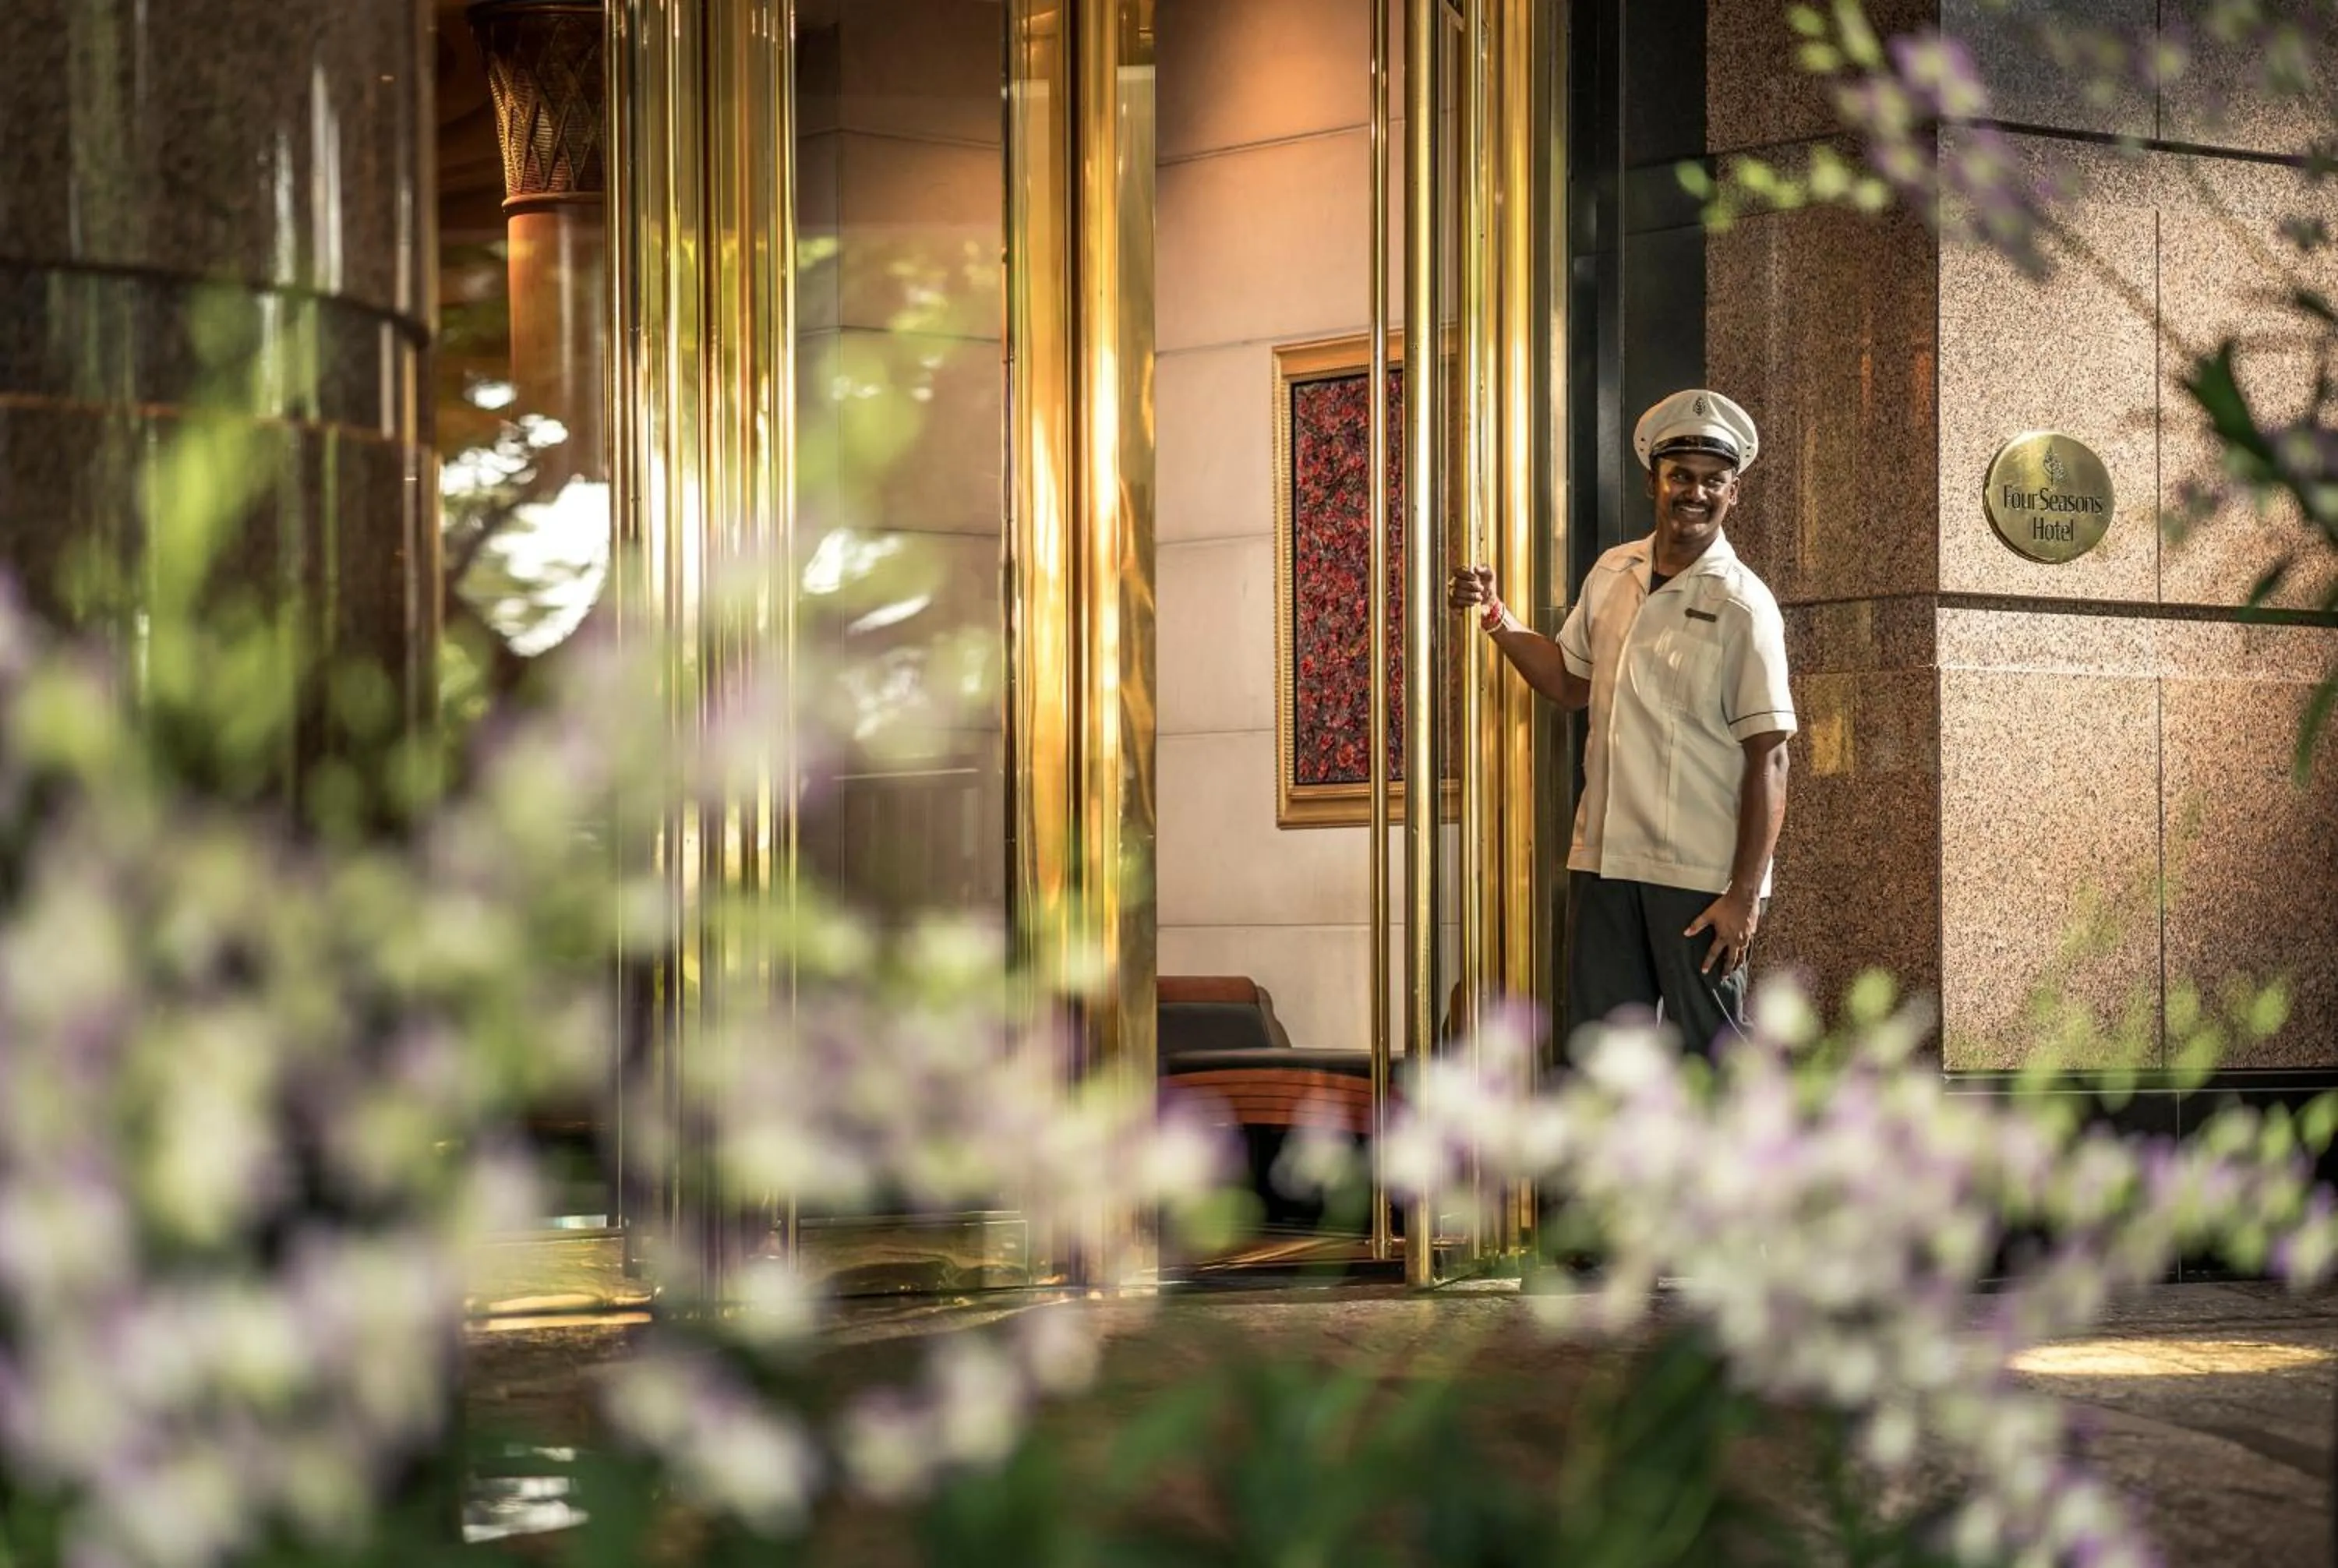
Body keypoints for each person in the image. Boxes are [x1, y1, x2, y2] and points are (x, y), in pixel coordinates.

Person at [1448, 389, 1794, 1056]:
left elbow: (1771, 759)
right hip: (1605, 864)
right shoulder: (1613, 572)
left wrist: (1744, 896)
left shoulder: (1745, 606)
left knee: (1712, 1061)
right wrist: (1497, 617)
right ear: (1653, 482)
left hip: (1700, 883)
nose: (1695, 493)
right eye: (1681, 477)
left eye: (1712, 482)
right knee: (1603, 1061)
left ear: (1733, 495)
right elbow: (1568, 682)